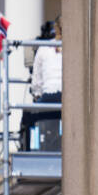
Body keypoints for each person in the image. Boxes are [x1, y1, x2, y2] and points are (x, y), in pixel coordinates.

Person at [29, 18, 63, 151]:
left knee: (28, 116)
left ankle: (30, 148)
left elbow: (36, 82)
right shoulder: (75, 46)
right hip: (68, 98)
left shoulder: (43, 48)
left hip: (49, 97)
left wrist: (37, 96)